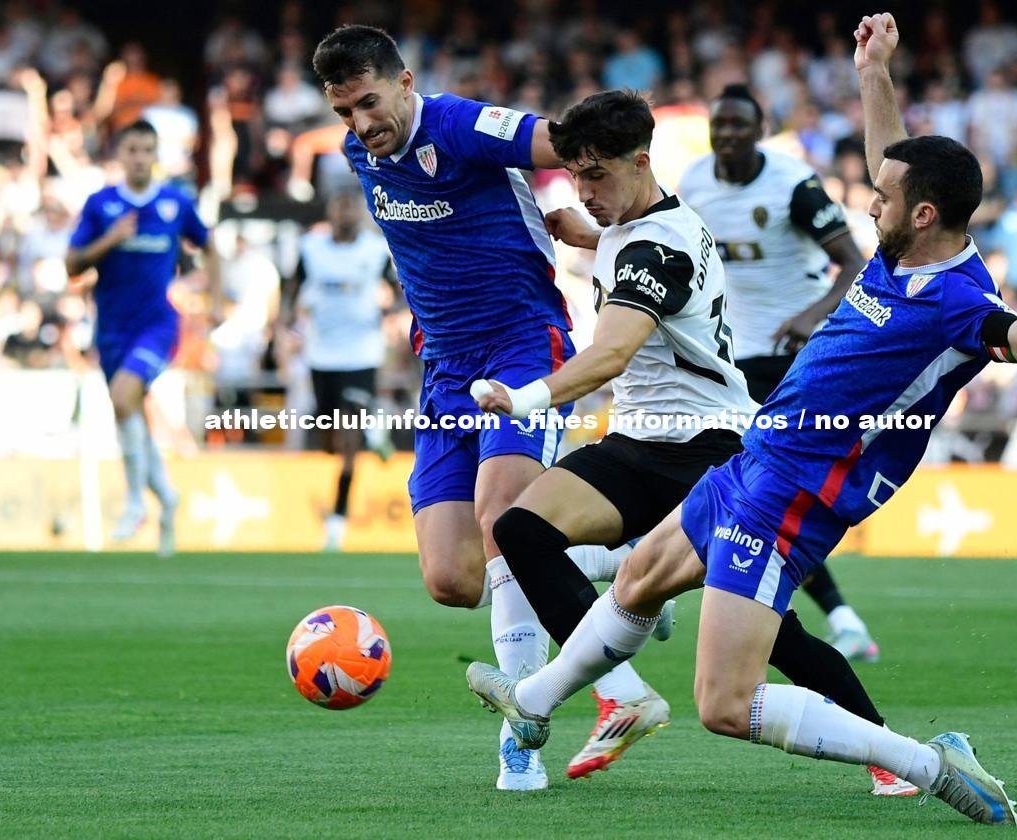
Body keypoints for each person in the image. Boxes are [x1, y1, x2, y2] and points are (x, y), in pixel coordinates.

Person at [468, 13, 1017, 825]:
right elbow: (892, 157)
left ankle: (927, 761)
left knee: (726, 704)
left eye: (883, 199)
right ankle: (534, 703)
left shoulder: (959, 303)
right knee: (638, 579)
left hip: (797, 492)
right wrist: (874, 72)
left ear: (923, 215)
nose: (869, 202)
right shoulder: (903, 246)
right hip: (755, 458)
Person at [473, 89, 915, 796]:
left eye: (597, 176)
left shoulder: (654, 248)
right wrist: (589, 234)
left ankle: (890, 753)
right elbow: (631, 250)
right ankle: (623, 687)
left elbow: (612, 353)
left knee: (779, 638)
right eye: (576, 176)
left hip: (707, 451)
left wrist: (524, 397)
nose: (585, 192)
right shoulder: (645, 223)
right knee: (520, 529)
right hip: (639, 443)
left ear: (640, 162)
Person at [311, 24, 633, 791]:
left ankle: (523, 741)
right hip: (444, 373)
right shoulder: (362, 153)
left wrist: (613, 212)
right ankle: (631, 567)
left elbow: (560, 141)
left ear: (405, 81)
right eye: (344, 111)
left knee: (500, 518)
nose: (360, 123)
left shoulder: (459, 125)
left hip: (522, 344)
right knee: (453, 578)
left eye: (369, 102)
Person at [679, 83, 880, 663]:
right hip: (734, 356)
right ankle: (835, 618)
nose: (728, 134)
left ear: (760, 130)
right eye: (720, 123)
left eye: (739, 124)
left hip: (799, 355)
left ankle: (646, 582)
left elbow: (855, 264)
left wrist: (810, 315)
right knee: (733, 481)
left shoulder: (793, 184)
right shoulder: (693, 182)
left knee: (757, 486)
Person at [65, 119, 219, 557]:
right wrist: (110, 240)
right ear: (120, 154)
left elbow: (209, 245)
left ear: (156, 155)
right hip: (112, 329)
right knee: (127, 408)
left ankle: (135, 502)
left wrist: (216, 298)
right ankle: (166, 496)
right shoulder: (101, 204)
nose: (139, 158)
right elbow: (72, 264)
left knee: (122, 397)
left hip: (158, 325)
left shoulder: (174, 202)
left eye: (147, 150)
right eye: (132, 150)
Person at [279, 191, 396, 551]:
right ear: (330, 212)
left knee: (347, 440)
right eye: (340, 207)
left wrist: (390, 313)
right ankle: (374, 428)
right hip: (322, 355)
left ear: (360, 212)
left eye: (351, 207)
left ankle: (337, 520)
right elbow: (292, 287)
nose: (346, 214)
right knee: (330, 441)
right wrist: (285, 320)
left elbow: (398, 289)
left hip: (361, 354)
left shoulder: (375, 250)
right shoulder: (311, 248)